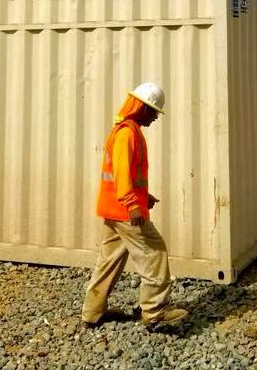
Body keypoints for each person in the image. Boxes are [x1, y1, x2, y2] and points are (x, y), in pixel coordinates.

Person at [81, 82, 188, 328]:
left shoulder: (125, 130)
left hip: (113, 209)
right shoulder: (127, 134)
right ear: (141, 108)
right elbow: (120, 174)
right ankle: (155, 311)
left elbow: (128, 174)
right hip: (124, 212)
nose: (155, 118)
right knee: (154, 252)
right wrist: (132, 204)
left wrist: (143, 196)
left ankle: (92, 312)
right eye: (153, 111)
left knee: (109, 262)